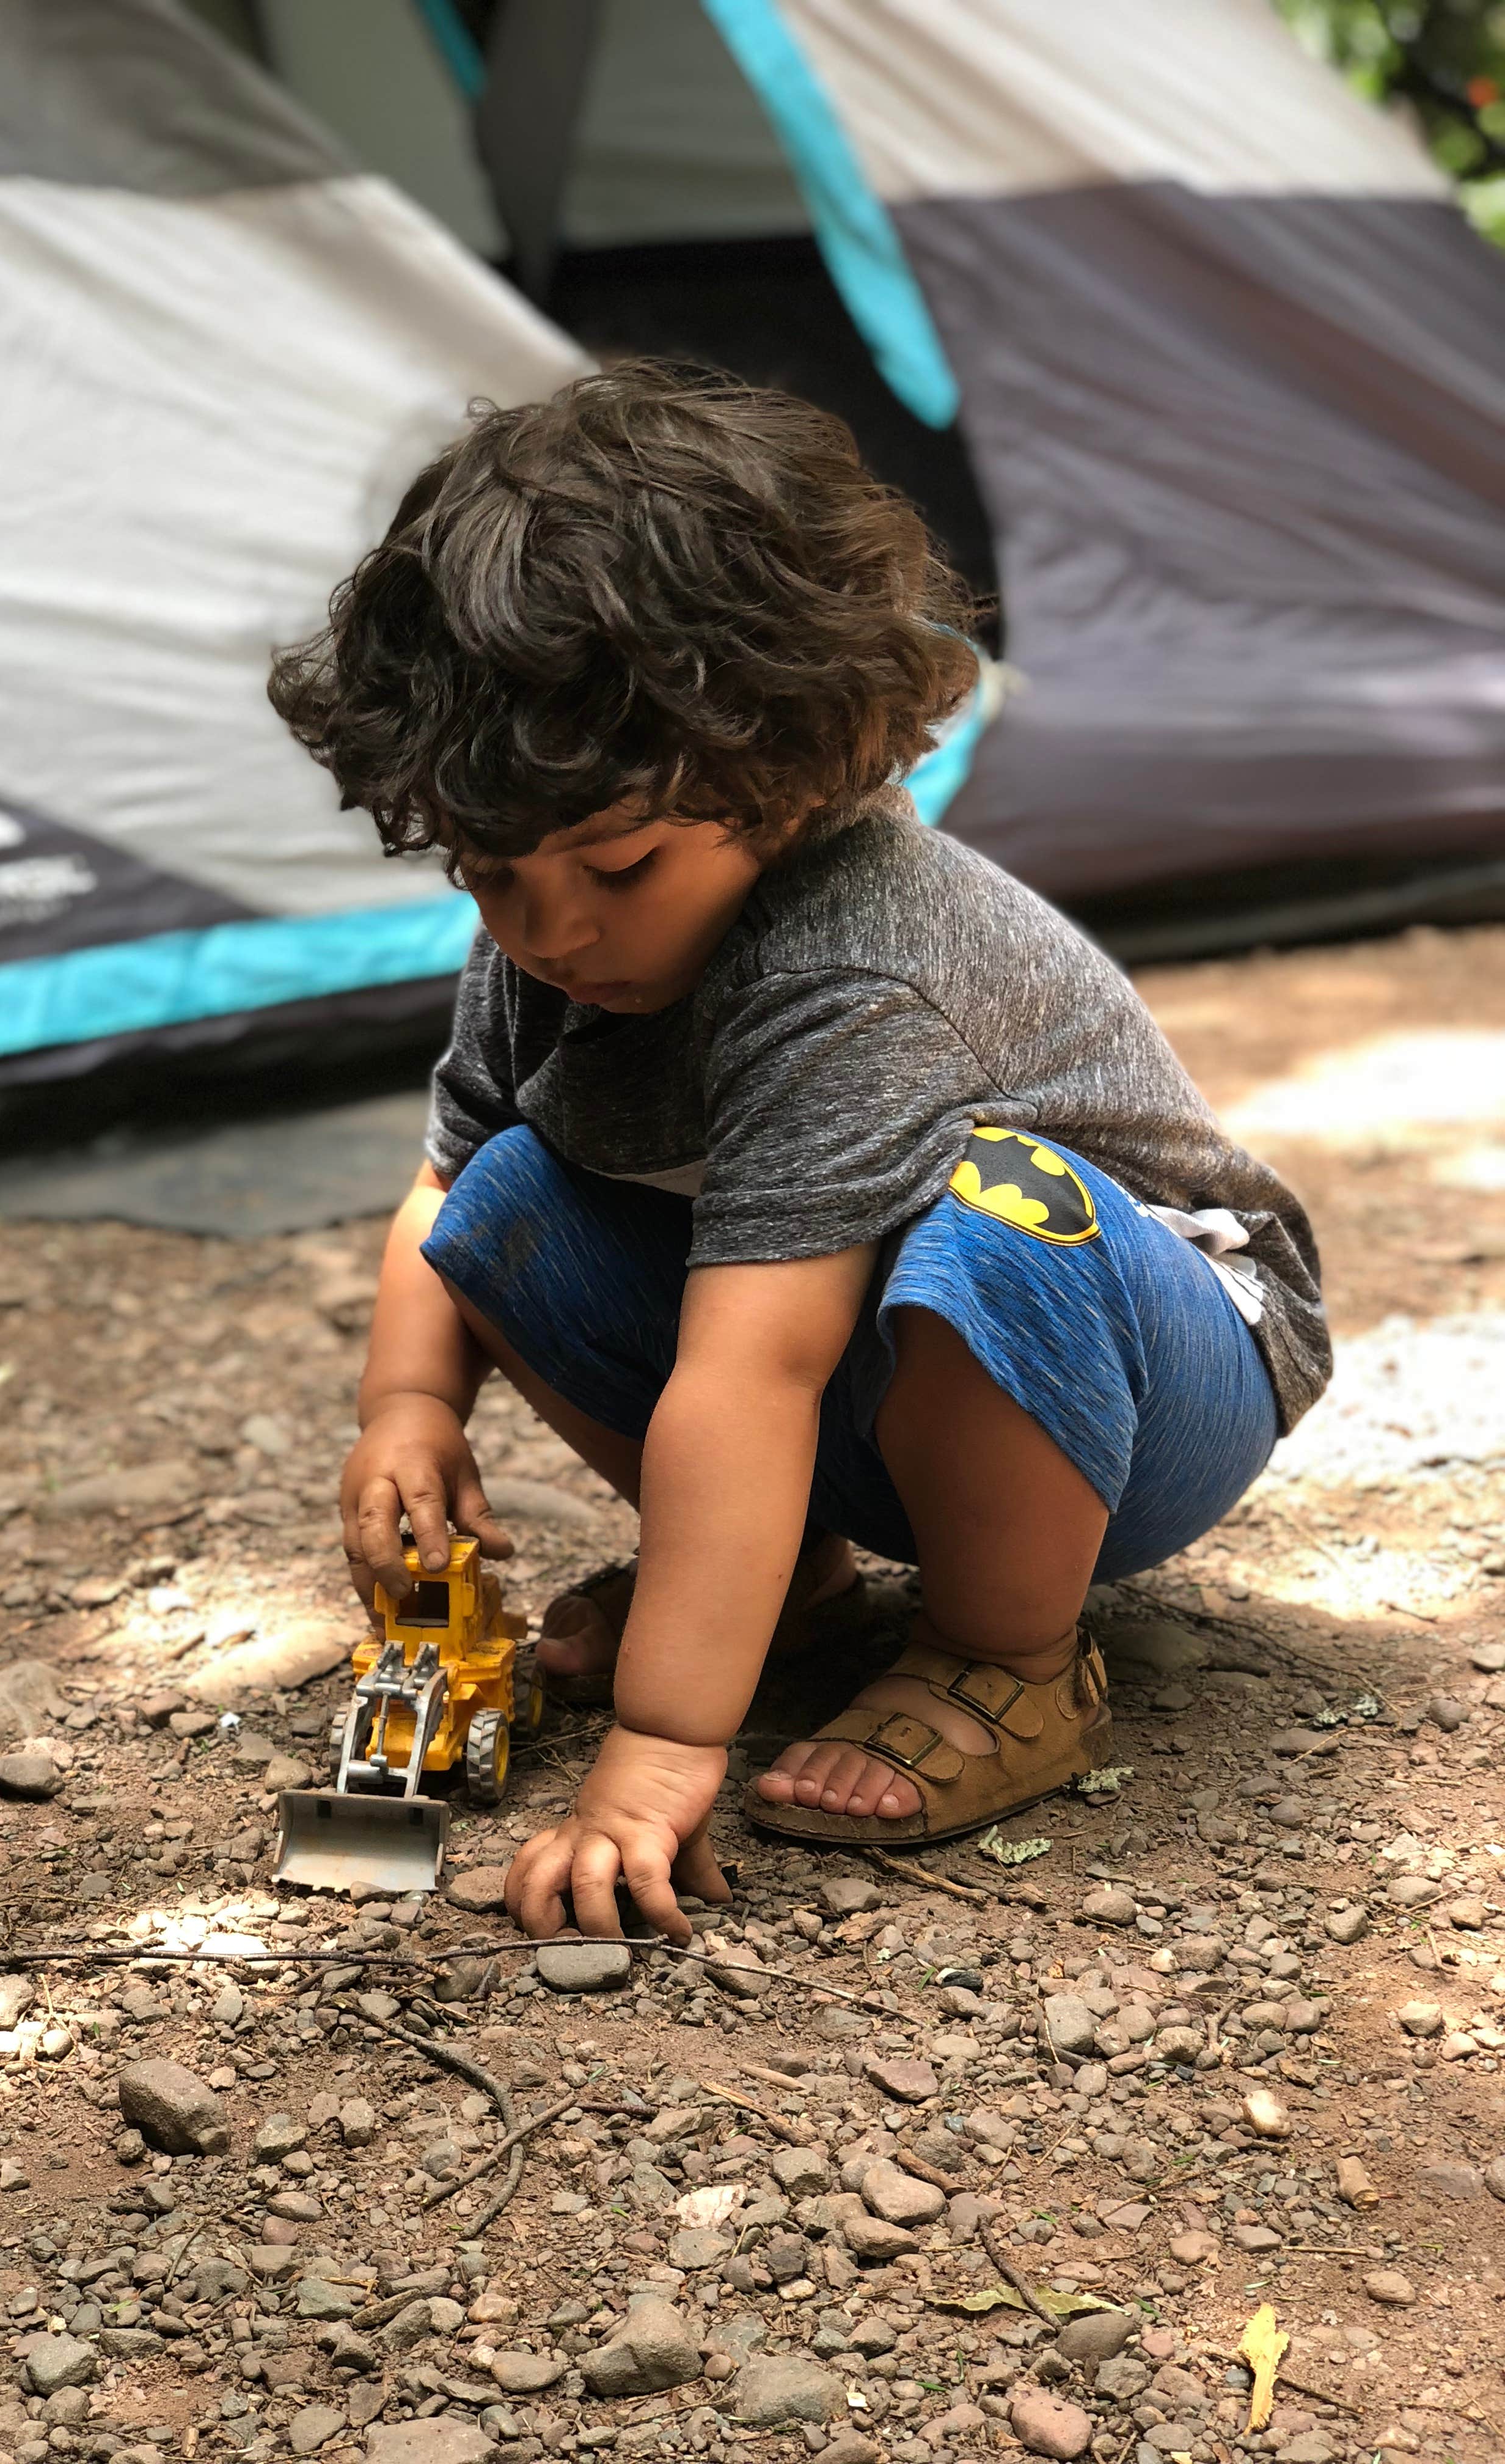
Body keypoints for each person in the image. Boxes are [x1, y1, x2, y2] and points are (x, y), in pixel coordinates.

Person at [268, 361, 1328, 1945]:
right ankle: (797, 1585)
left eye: (620, 867)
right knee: (504, 1205)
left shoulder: (851, 965)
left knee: (992, 1221)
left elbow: (753, 1373)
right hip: (870, 1382)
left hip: (1146, 1376)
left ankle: (1010, 1658)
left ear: (785, 777)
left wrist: (659, 1755)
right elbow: (450, 1184)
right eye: (492, 874)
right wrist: (406, 1411)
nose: (552, 931)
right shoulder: (552, 940)